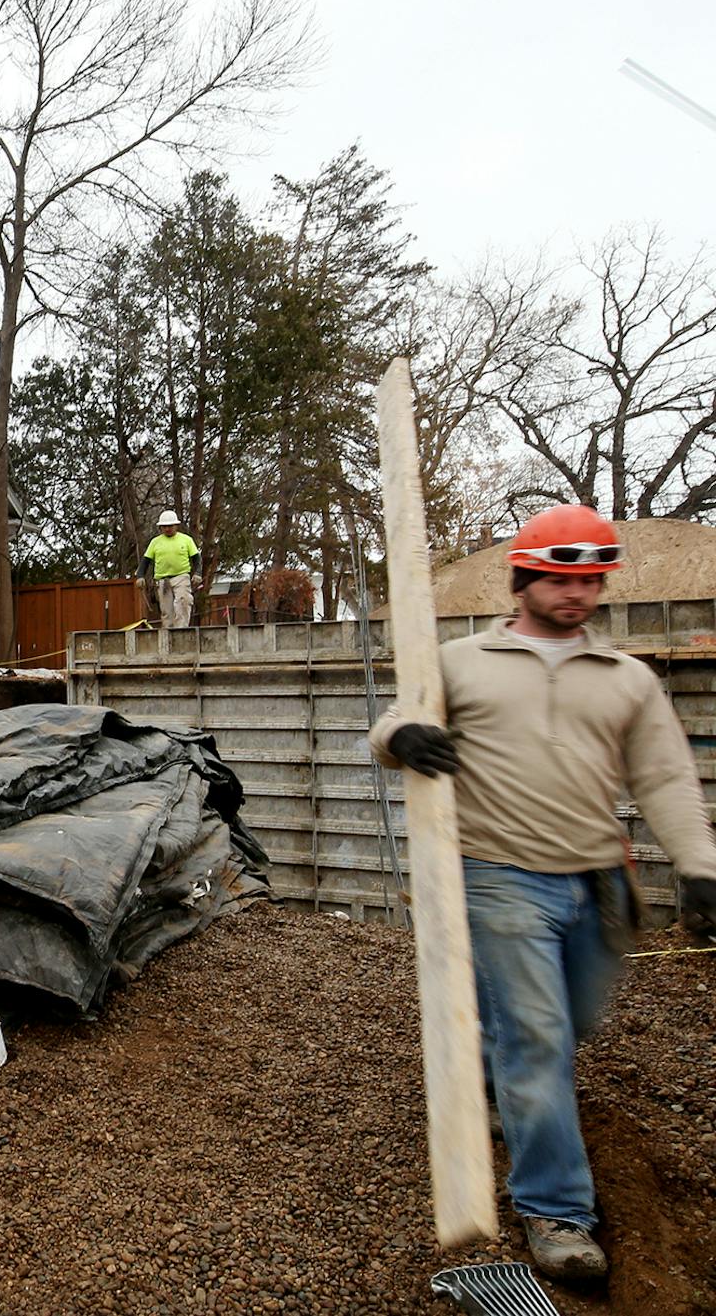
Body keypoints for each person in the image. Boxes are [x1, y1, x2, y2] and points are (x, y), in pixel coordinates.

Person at [369, 505, 716, 1282]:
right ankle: (557, 1211)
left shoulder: (626, 678)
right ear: (526, 576)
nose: (580, 593)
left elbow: (664, 776)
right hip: (497, 875)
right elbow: (392, 722)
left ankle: (501, 1080)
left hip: (598, 881)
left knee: (566, 1025)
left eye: (592, 579)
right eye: (564, 577)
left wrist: (699, 866)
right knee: (540, 1036)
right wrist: (403, 740)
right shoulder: (459, 661)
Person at [136, 510, 202, 629]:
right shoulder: (155, 542)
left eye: (170, 526)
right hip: (163, 580)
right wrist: (140, 576)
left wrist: (197, 573)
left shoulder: (186, 540)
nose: (167, 529)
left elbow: (196, 558)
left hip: (181, 577)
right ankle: (168, 634)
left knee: (183, 602)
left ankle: (182, 630)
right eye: (164, 527)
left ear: (176, 525)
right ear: (161, 527)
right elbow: (145, 561)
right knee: (167, 611)